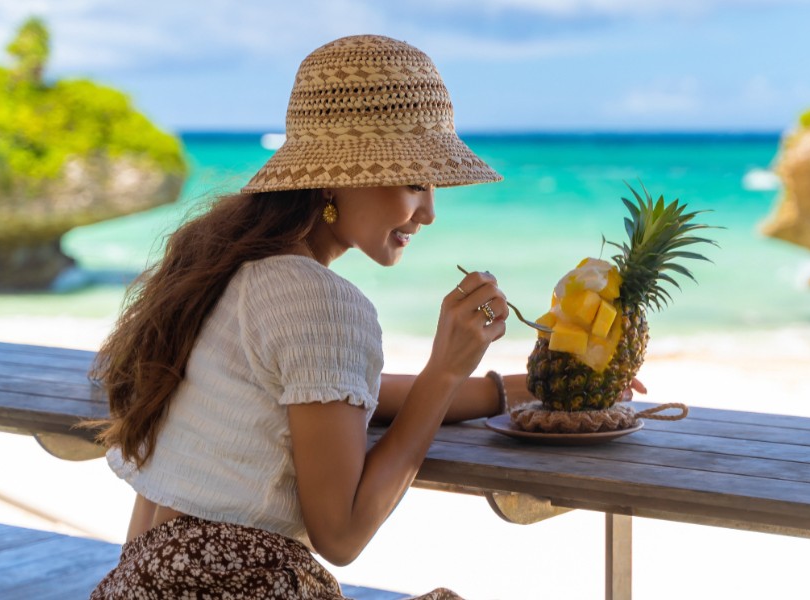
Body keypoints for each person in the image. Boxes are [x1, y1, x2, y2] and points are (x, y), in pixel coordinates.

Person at [89, 34, 519, 599]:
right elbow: (340, 535)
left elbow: (334, 394)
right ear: (340, 174)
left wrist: (515, 391)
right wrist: (443, 370)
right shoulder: (321, 302)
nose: (430, 212)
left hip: (140, 581)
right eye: (416, 181)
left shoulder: (222, 265)